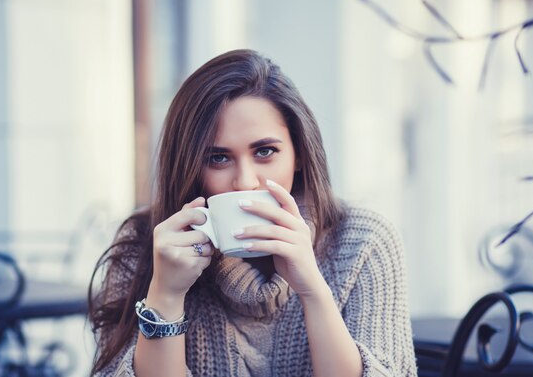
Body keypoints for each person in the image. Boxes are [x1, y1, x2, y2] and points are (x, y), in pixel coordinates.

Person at [88, 49, 417, 377]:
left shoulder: (364, 242)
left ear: (299, 154)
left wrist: (313, 289)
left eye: (265, 151)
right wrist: (166, 294)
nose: (244, 181)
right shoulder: (146, 245)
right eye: (218, 158)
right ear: (190, 165)